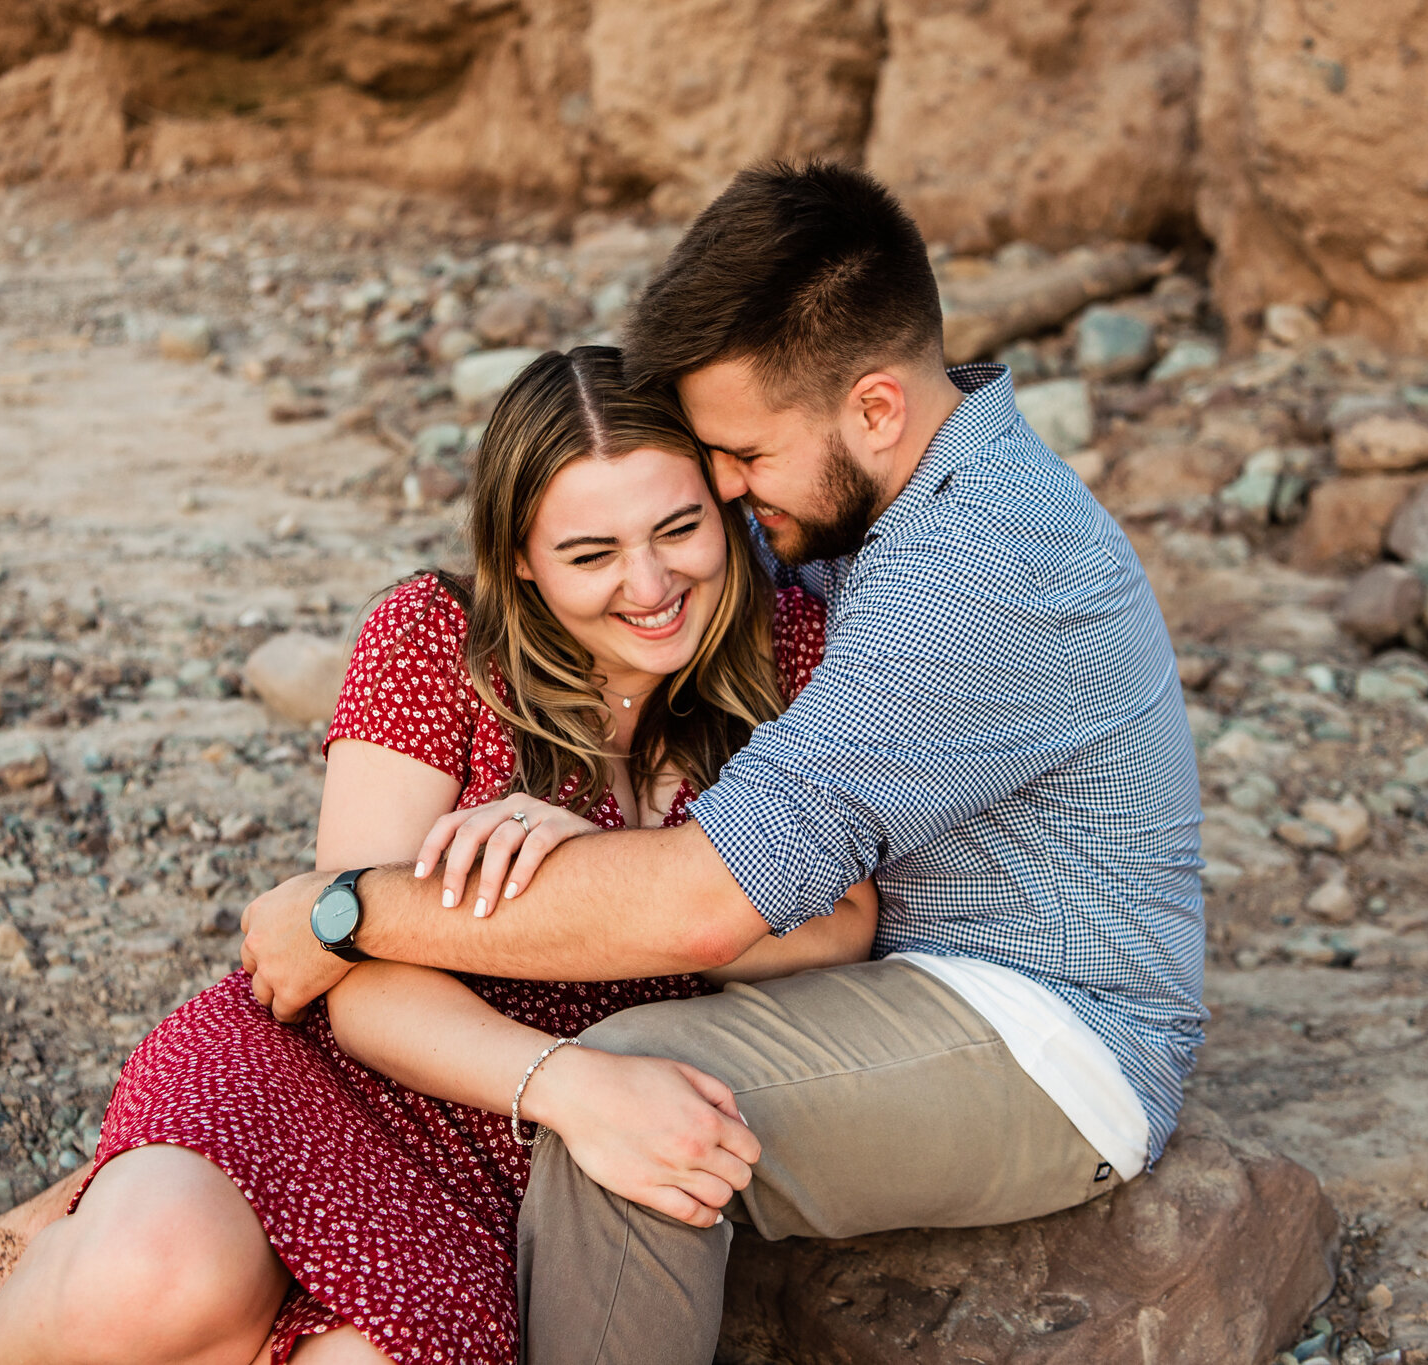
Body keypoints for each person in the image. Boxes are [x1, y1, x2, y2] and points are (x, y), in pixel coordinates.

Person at [236, 161, 1207, 1365]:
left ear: (874, 410)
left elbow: (701, 905)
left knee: (642, 1094)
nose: (729, 494)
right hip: (885, 972)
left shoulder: (975, 569)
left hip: (1044, 1033)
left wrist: (346, 913)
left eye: (741, 454)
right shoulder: (872, 498)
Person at [0, 345, 875, 1364]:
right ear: (519, 560)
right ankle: (73, 1244)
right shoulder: (434, 641)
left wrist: (602, 860)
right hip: (343, 1074)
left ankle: (52, 1239)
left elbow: (839, 922)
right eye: (590, 554)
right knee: (148, 1279)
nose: (648, 585)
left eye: (677, 528)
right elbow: (348, 969)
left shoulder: (792, 649)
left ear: (722, 504)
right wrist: (574, 1086)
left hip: (497, 1174)